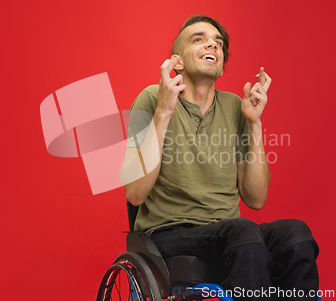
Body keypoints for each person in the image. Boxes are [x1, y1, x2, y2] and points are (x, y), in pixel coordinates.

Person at [120, 15, 319, 300]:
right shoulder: (152, 98)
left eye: (218, 42)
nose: (211, 44)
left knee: (296, 235)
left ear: (222, 65)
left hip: (229, 234)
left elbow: (256, 198)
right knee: (242, 233)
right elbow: (135, 193)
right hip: (169, 233)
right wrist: (164, 112)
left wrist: (253, 123)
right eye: (198, 39)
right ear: (177, 62)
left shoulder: (235, 107)